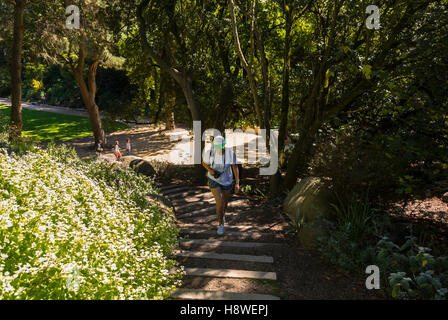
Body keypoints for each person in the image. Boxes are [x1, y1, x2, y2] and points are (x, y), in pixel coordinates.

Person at [202, 135, 240, 235]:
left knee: (224, 204)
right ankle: (220, 225)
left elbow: (235, 168)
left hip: (227, 180)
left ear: (224, 145)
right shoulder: (210, 152)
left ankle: (222, 216)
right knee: (219, 203)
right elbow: (204, 163)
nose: (218, 148)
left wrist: (237, 183)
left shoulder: (230, 153)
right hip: (214, 179)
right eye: (216, 146)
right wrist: (210, 170)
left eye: (220, 146)